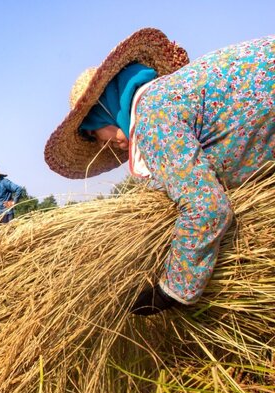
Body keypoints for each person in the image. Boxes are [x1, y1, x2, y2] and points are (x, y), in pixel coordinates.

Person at [44, 28, 275, 315]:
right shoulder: (168, 95)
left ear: (102, 110)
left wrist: (171, 291)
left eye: (94, 134)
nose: (105, 145)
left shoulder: (152, 116)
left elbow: (207, 207)